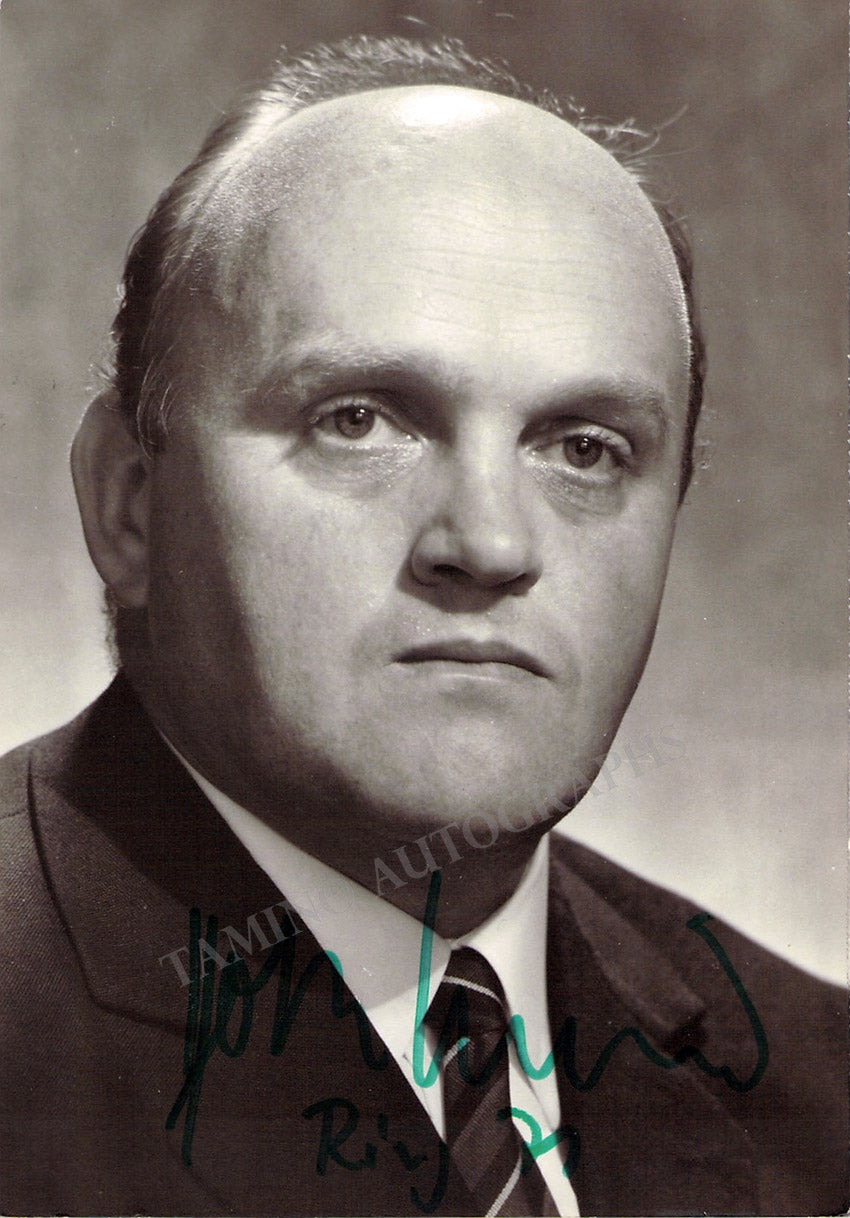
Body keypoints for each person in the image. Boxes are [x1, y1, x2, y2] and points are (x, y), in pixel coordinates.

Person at [0, 35, 845, 1218]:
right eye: (359, 420)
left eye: (585, 448)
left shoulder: (819, 1085)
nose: (489, 544)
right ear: (129, 504)